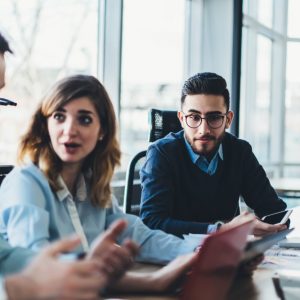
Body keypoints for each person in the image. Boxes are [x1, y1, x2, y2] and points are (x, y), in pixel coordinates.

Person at [0, 73, 204, 293]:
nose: (69, 130)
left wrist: (199, 251)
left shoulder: (90, 185)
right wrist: (149, 281)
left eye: (85, 119)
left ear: (102, 131)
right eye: (59, 117)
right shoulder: (26, 183)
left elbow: (141, 236)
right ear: (45, 125)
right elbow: (38, 269)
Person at [140, 72, 287, 238]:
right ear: (181, 119)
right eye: (194, 117)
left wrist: (279, 223)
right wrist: (220, 230)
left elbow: (275, 212)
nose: (204, 129)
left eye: (214, 117)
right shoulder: (161, 154)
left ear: (228, 119)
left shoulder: (240, 152)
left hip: (227, 254)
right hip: (175, 255)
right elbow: (152, 223)